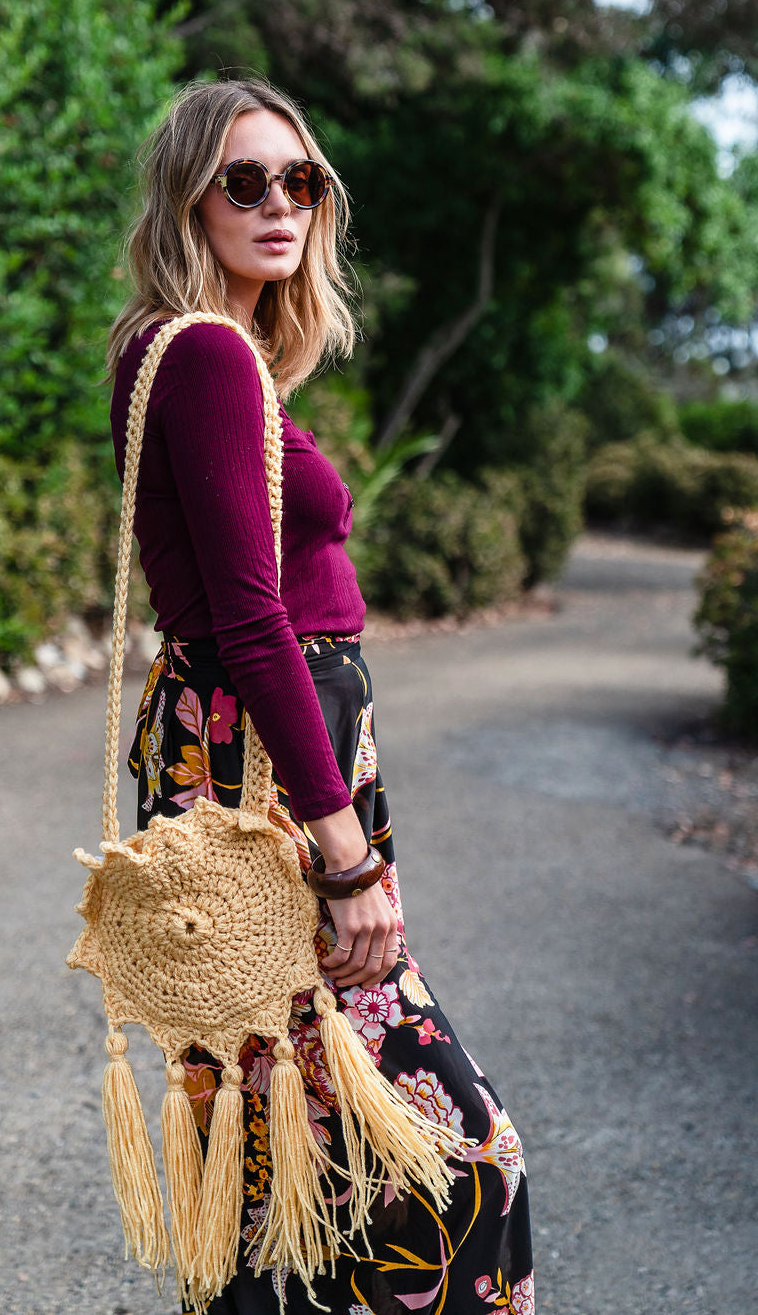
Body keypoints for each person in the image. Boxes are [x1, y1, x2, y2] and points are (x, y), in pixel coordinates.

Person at [105, 76, 534, 1314]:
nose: (280, 202)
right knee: (467, 1157)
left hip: (233, 758)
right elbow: (249, 616)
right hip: (270, 778)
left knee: (267, 1135)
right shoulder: (206, 356)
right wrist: (343, 849)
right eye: (245, 180)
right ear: (188, 196)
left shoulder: (174, 346)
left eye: (302, 180)